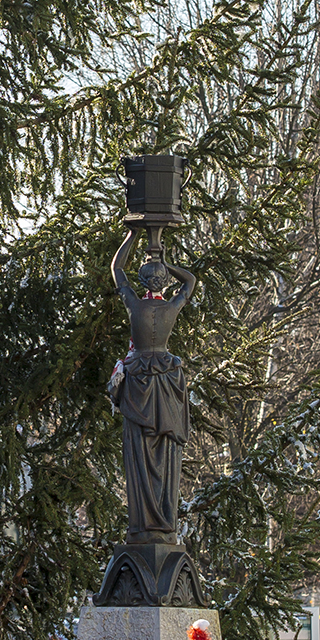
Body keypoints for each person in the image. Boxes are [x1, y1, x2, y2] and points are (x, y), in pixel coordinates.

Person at [108, 228, 197, 542]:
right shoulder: (171, 308)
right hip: (167, 384)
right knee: (166, 451)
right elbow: (190, 282)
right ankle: (163, 518)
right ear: (163, 283)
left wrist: (132, 234)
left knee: (140, 451)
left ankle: (143, 523)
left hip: (138, 380)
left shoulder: (135, 306)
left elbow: (117, 269)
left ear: (143, 282)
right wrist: (167, 264)